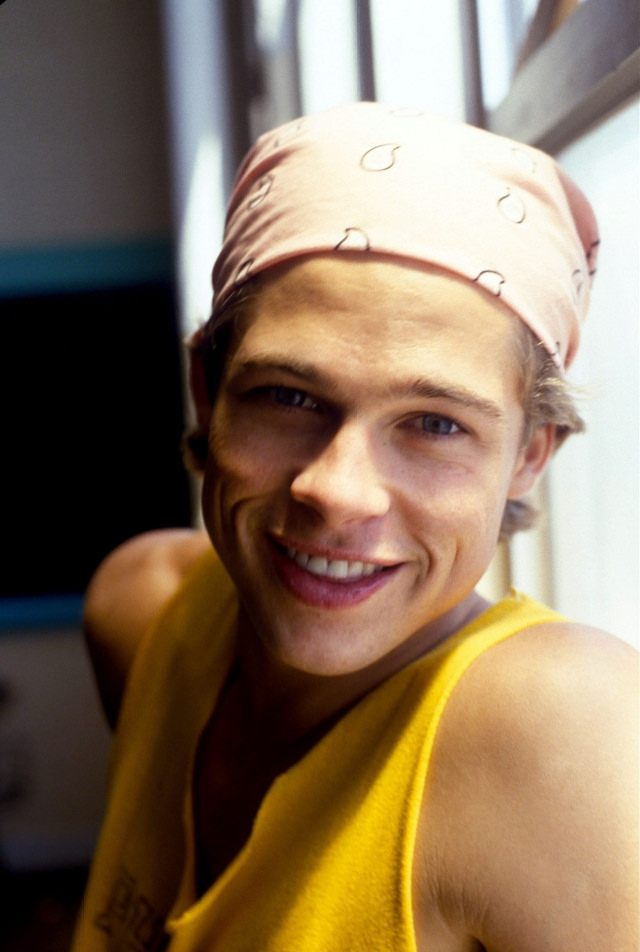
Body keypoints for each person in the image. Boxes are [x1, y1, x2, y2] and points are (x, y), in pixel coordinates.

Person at [73, 103, 638, 951]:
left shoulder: (571, 732)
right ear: (207, 391)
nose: (336, 492)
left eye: (436, 424)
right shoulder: (143, 614)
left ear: (530, 455)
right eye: (289, 397)